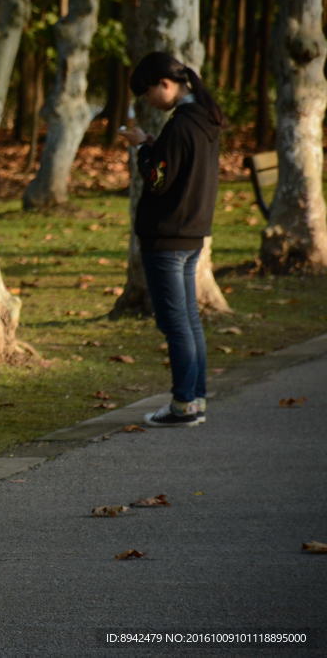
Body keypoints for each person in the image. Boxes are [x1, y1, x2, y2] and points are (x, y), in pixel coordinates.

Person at [122, 52, 224, 427]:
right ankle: (194, 398)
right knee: (189, 320)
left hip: (167, 235)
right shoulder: (205, 119)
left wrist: (143, 149)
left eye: (147, 92)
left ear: (165, 84)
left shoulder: (181, 124)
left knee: (175, 322)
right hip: (193, 231)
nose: (148, 100)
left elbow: (158, 179)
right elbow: (178, 166)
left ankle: (183, 404)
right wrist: (153, 142)